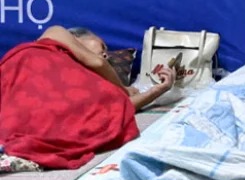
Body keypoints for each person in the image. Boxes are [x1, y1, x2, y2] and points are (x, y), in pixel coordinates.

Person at [0, 26, 174, 171]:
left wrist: (157, 90)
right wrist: (123, 89)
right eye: (102, 46)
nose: (105, 55)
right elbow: (98, 63)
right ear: (77, 37)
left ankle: (15, 147)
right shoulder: (55, 33)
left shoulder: (81, 83)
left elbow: (118, 109)